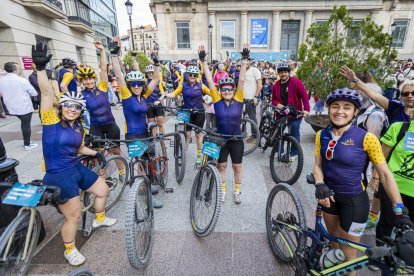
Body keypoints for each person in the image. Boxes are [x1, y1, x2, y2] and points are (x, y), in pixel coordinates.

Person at [32, 42, 116, 266]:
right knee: (74, 215)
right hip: (58, 174)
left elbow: (79, 149)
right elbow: (46, 92)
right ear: (62, 107)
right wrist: (40, 69)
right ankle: (69, 249)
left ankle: (99, 218)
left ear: (80, 111)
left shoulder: (78, 127)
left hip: (75, 167)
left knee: (103, 188)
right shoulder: (51, 121)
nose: (72, 109)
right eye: (68, 105)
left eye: (76, 107)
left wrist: (96, 153)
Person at [313, 88, 412, 273]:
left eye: (346, 107)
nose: (340, 111)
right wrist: (320, 183)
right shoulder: (322, 135)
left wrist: (399, 210)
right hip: (328, 198)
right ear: (328, 110)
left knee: (349, 254)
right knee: (334, 242)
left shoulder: (367, 138)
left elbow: (385, 174)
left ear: (355, 112)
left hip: (355, 202)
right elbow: (318, 166)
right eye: (335, 106)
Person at [110, 41, 164, 208]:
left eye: (138, 84)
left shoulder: (145, 95)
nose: (136, 87)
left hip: (145, 133)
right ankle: (147, 195)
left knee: (147, 163)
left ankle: (144, 186)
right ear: (129, 86)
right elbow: (119, 75)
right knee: (140, 166)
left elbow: (155, 79)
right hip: (133, 135)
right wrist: (114, 56)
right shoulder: (127, 96)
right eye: (133, 85)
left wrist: (156, 64)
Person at [201, 44, 248, 204]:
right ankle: (223, 191)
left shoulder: (239, 99)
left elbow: (241, 79)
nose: (227, 91)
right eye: (224, 89)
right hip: (221, 140)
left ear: (233, 90)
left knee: (237, 167)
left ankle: (237, 191)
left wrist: (244, 59)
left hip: (236, 140)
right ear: (220, 91)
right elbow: (209, 80)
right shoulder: (217, 99)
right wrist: (203, 61)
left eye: (229, 89)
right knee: (221, 167)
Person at [77, 41, 125, 180]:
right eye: (85, 80)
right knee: (96, 153)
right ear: (81, 82)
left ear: (94, 79)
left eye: (90, 79)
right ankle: (102, 175)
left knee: (115, 150)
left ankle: (121, 171)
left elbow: (103, 69)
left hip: (110, 124)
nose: (88, 82)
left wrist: (102, 51)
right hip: (96, 126)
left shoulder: (102, 87)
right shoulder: (82, 95)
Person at [374, 92, 414, 244]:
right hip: (393, 186)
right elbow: (381, 156)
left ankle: (400, 255)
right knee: (387, 223)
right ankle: (381, 254)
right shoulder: (399, 128)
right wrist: (376, 176)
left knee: (409, 228)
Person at [162, 64, 212, 166]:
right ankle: (183, 154)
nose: (192, 76)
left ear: (197, 75)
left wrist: (218, 98)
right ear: (187, 75)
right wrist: (165, 95)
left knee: (198, 135)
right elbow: (174, 94)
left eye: (194, 75)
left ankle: (199, 157)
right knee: (187, 134)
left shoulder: (201, 86)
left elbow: (212, 93)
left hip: (199, 112)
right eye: (190, 75)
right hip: (187, 112)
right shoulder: (183, 86)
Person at [340, 65, 412, 124]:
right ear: (401, 96)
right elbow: (374, 95)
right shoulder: (395, 108)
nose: (410, 96)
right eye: (405, 93)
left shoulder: (377, 115)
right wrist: (355, 80)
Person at [271, 62, 310, 158]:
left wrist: (306, 109)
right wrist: (278, 105)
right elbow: (274, 99)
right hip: (281, 114)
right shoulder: (276, 85)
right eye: (281, 72)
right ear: (278, 73)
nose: (283, 74)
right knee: (278, 132)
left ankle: (294, 152)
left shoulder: (296, 82)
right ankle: (280, 151)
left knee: (294, 132)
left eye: (285, 72)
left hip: (295, 114)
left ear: (288, 72)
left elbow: (304, 95)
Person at [0, 62, 38, 150]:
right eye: (19, 68)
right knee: (26, 125)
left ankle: (27, 142)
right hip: (24, 106)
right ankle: (27, 145)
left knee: (24, 124)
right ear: (14, 70)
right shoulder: (22, 80)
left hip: (10, 107)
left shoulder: (1, 80)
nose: (20, 69)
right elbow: (34, 92)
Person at [243, 57, 262, 141]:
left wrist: (256, 96)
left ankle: (254, 135)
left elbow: (260, 85)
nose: (246, 62)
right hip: (242, 98)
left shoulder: (255, 70)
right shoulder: (242, 70)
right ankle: (243, 132)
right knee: (242, 117)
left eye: (247, 61)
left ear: (250, 61)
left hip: (250, 98)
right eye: (244, 60)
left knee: (252, 117)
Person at [145, 64, 166, 135]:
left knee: (160, 124)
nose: (151, 74)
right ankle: (153, 142)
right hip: (148, 106)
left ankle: (162, 143)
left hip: (157, 105)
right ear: (146, 74)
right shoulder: (144, 83)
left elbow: (163, 92)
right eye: (149, 73)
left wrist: (161, 98)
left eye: (152, 72)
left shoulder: (158, 82)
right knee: (152, 126)